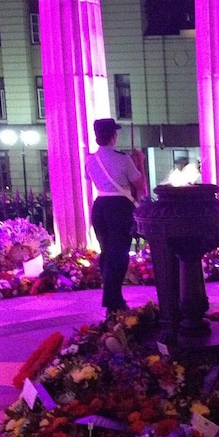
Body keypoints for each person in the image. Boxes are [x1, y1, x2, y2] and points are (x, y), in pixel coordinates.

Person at [86, 118, 146, 316]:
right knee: (119, 254)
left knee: (107, 252)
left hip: (100, 207)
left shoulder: (90, 159)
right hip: (119, 208)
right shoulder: (123, 159)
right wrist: (141, 163)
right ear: (113, 136)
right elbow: (139, 185)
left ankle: (113, 298)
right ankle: (114, 300)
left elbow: (89, 177)